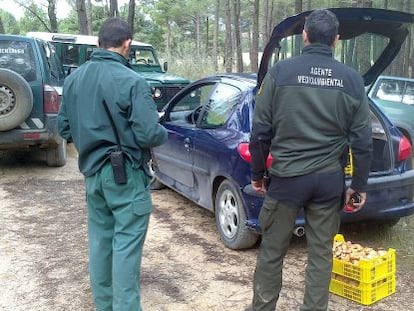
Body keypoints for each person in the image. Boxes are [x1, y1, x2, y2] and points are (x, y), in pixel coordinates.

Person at [248, 9, 372, 311]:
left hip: (287, 180)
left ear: (304, 36)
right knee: (321, 256)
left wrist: (258, 174)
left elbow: (260, 131)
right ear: (337, 40)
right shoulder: (352, 79)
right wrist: (358, 186)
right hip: (328, 182)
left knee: (272, 254)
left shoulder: (280, 73)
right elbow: (363, 141)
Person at [57, 18, 167, 311]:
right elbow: (149, 134)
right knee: (126, 251)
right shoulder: (133, 81)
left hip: (92, 174)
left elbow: (64, 128)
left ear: (98, 43)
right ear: (127, 44)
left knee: (101, 245)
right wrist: (163, 128)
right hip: (126, 176)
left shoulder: (73, 80)